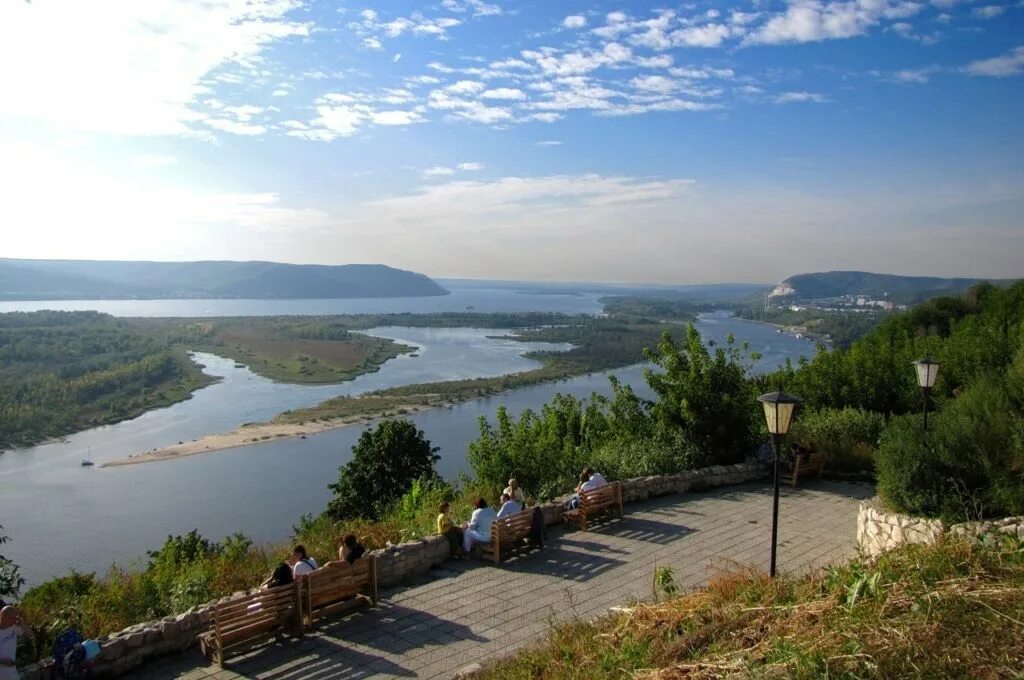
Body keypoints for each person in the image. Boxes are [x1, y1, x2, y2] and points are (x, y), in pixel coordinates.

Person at [1, 605, 29, 680]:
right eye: (12, 618)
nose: (14, 620)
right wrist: (2, 661)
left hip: (12, 671)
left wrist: (22, 623)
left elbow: (30, 635)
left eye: (16, 617)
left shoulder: (14, 627)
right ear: (3, 617)